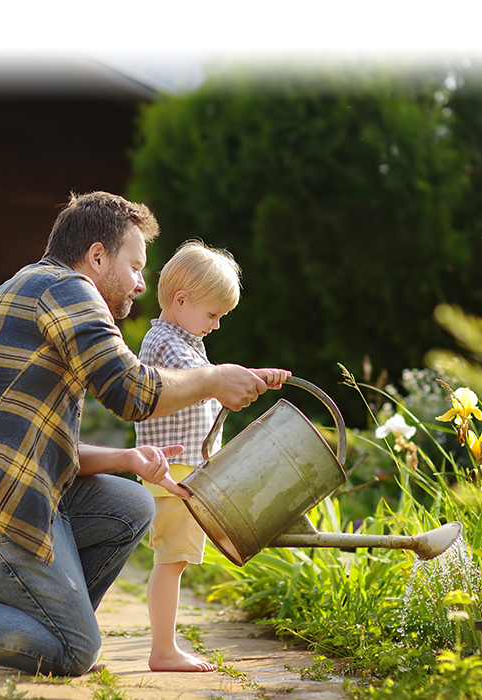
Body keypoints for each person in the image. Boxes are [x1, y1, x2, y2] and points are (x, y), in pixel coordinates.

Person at [0, 191, 289, 676]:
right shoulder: (70, 290)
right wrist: (214, 380)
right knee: (76, 653)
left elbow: (42, 447)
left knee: (132, 504)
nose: (140, 284)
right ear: (96, 256)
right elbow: (129, 391)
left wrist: (128, 460)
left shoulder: (27, 290)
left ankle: (45, 629)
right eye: (135, 267)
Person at [135, 240, 278, 673]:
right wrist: (243, 379)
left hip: (182, 469)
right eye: (213, 314)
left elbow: (214, 387)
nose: (216, 325)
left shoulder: (182, 339)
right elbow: (208, 385)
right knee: (171, 562)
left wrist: (254, 380)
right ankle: (163, 650)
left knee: (174, 560)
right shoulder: (168, 344)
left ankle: (164, 646)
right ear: (181, 300)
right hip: (174, 472)